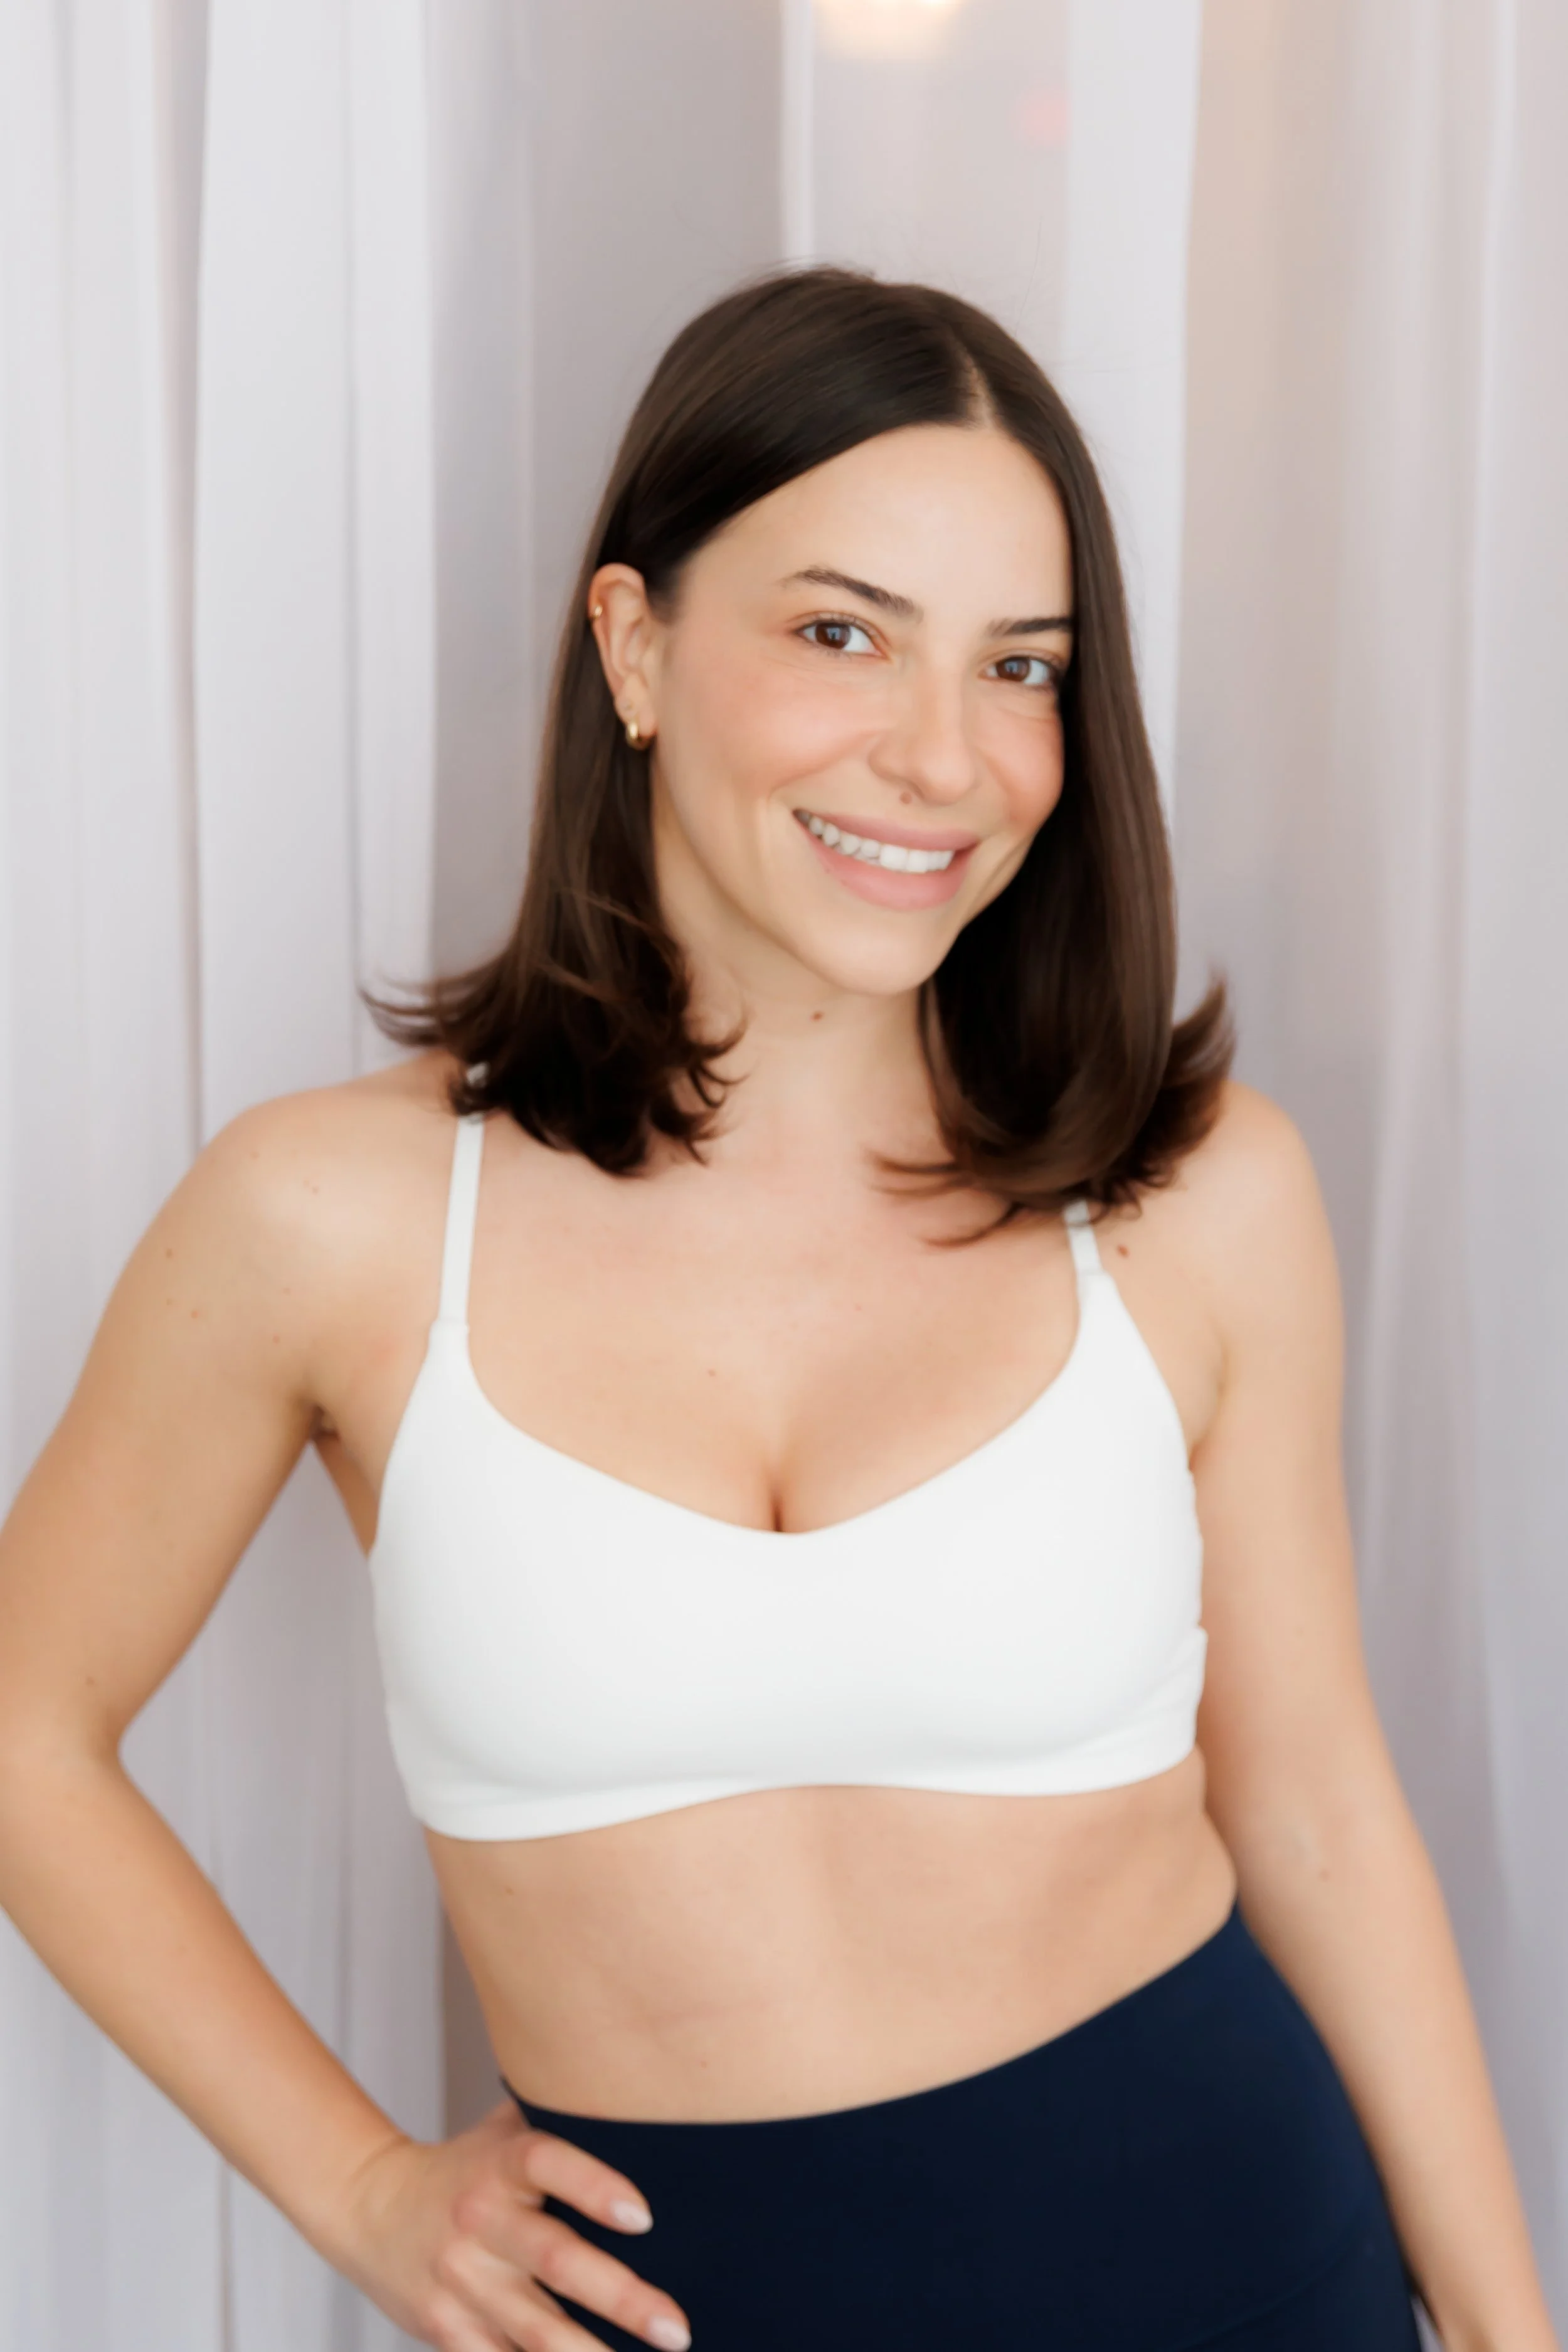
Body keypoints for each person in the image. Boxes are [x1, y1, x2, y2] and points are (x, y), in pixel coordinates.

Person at [0, 265, 1555, 2352]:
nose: (940, 757)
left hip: (1235, 2264)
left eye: (1021, 667)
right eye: (841, 634)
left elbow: (1313, 1804)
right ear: (633, 645)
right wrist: (360, 2184)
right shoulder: (336, 1217)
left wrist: (1509, 2326)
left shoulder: (1194, 1196)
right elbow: (23, 1727)